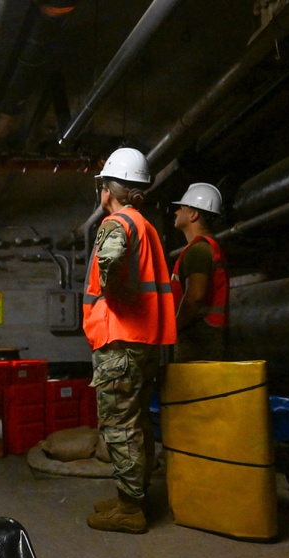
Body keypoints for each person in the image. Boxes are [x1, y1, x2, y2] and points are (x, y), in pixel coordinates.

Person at [83, 147, 177, 534]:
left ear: (108, 190)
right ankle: (132, 497)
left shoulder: (116, 223)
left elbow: (111, 263)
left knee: (120, 425)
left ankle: (130, 510)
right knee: (138, 423)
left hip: (120, 341)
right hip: (145, 342)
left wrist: (115, 294)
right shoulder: (147, 225)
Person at [170, 183, 229, 362]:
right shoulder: (205, 247)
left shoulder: (199, 250)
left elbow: (194, 297)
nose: (176, 213)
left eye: (181, 208)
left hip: (197, 345)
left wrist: (173, 328)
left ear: (194, 214)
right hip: (203, 341)